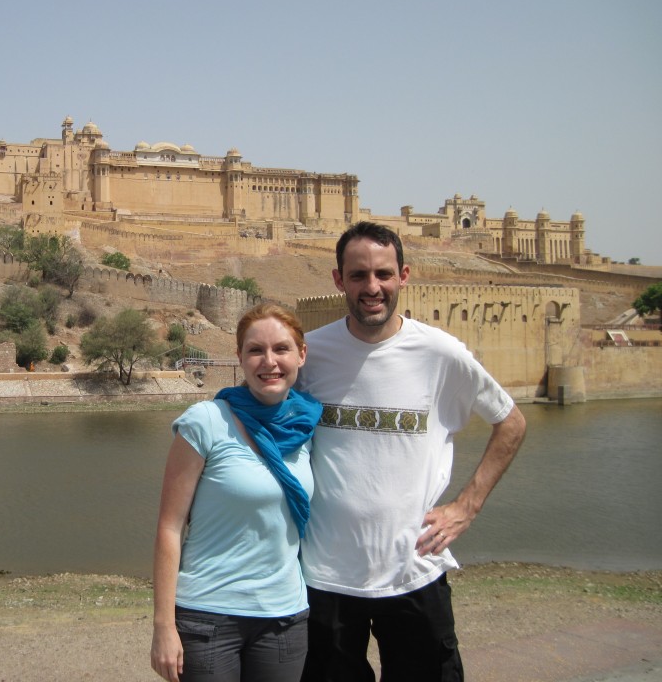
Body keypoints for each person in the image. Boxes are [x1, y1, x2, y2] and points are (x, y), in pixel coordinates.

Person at [296, 221, 527, 682]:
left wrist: (467, 506)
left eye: (383, 274)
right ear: (339, 280)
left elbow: (511, 422)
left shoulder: (439, 353)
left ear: (404, 276)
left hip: (414, 572)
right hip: (324, 578)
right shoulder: (309, 354)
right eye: (358, 275)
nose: (372, 287)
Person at [151, 303, 323, 682]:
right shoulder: (207, 421)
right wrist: (163, 626)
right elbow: (170, 527)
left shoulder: (307, 427)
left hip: (283, 617)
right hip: (208, 618)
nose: (269, 362)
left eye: (281, 349)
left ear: (301, 354)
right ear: (240, 358)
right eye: (255, 350)